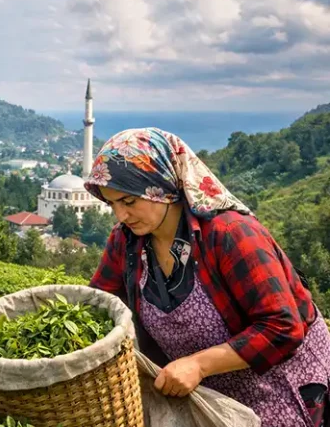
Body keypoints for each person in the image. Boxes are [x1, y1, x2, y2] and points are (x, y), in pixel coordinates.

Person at [84, 127, 330, 427]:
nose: (120, 215)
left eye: (129, 201)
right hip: (211, 396)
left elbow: (282, 327)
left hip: (278, 384)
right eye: (112, 204)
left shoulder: (229, 234)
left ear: (161, 186)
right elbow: (98, 305)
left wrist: (199, 365)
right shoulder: (127, 241)